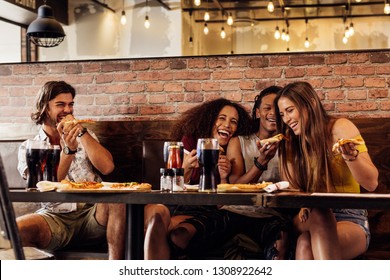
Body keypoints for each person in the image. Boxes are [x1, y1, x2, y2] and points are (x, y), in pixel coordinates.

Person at [17, 81, 126, 260]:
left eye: (71, 104)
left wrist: (82, 132)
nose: (68, 110)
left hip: (93, 214)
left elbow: (107, 168)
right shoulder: (29, 147)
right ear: (44, 107)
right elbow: (43, 185)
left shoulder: (85, 136)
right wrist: (68, 150)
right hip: (54, 216)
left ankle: (115, 270)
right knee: (17, 229)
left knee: (117, 199)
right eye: (60, 104)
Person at [274, 81, 379, 259]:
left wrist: (350, 157)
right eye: (282, 114)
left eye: (290, 110)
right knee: (319, 210)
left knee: (305, 245)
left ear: (311, 104)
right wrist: (286, 152)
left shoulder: (340, 127)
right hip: (308, 215)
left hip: (350, 216)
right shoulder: (291, 141)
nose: (286, 119)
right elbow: (292, 191)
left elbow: (371, 183)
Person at [144, 98, 252, 259]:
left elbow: (225, 204)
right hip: (174, 203)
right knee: (156, 212)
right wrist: (185, 168)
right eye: (221, 118)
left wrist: (224, 178)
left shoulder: (232, 149)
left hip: (202, 210)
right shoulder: (190, 141)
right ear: (210, 119)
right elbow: (171, 187)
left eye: (233, 121)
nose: (228, 125)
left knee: (158, 226)